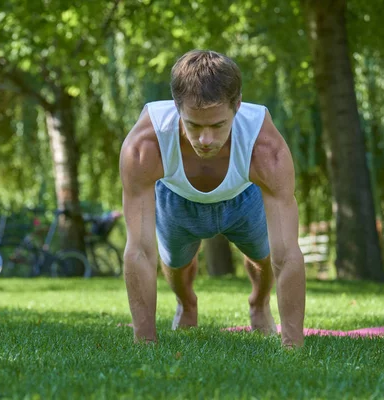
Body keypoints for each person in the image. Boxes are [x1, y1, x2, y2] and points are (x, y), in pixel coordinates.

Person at [119, 50, 305, 348]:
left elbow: (288, 253)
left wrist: (293, 347)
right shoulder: (145, 145)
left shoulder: (265, 147)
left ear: (237, 106)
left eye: (218, 125)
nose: (205, 140)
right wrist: (145, 344)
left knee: (266, 255)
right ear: (177, 107)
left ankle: (259, 303)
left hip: (244, 198)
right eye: (193, 125)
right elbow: (140, 250)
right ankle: (187, 303)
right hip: (177, 199)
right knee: (176, 264)